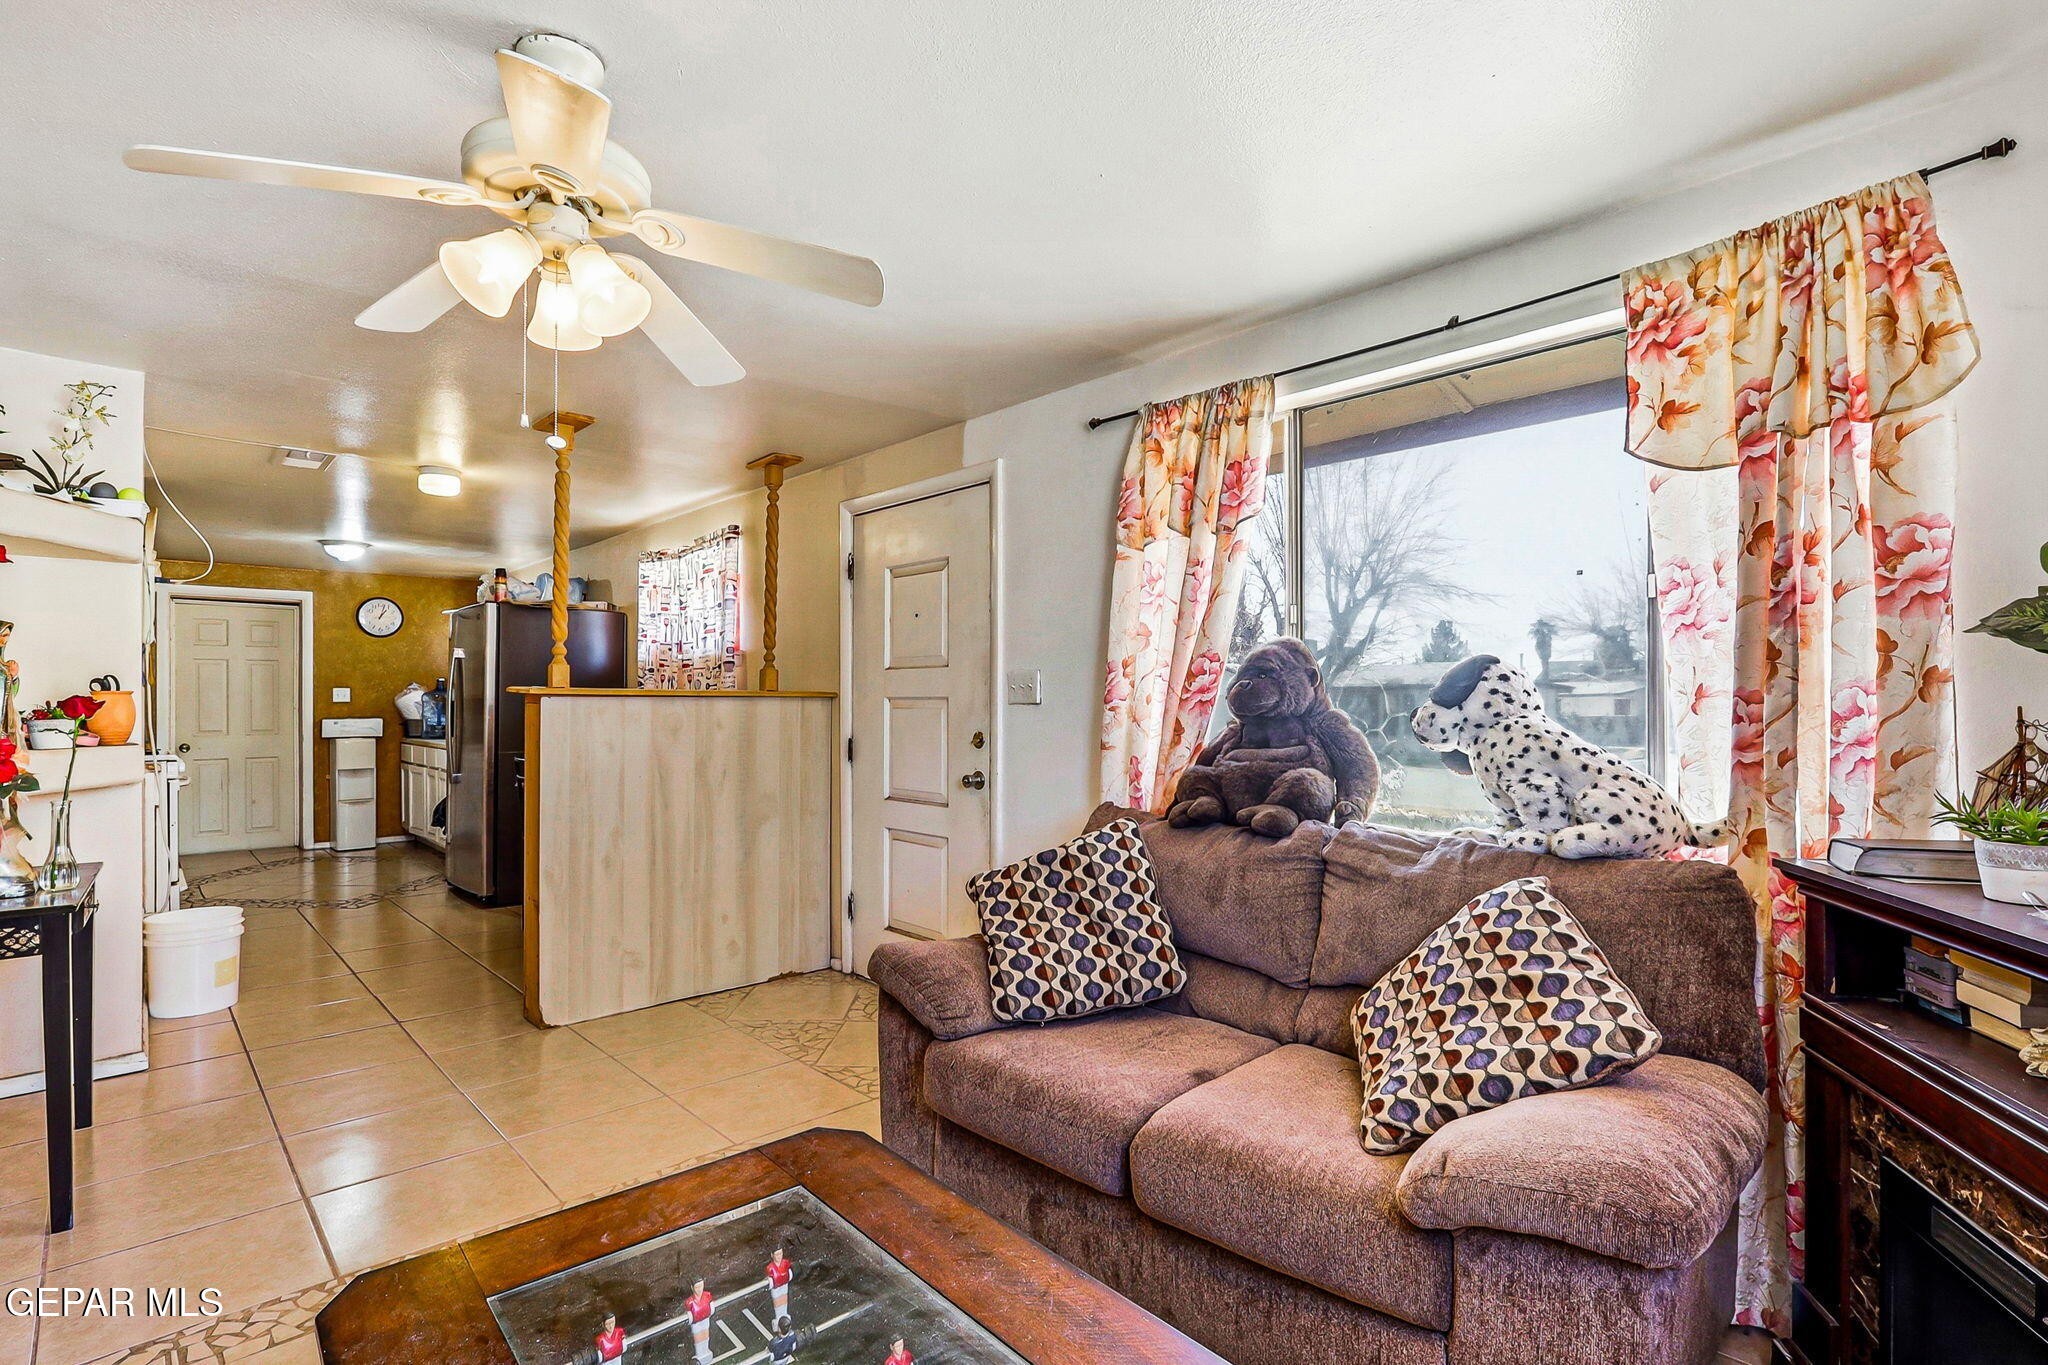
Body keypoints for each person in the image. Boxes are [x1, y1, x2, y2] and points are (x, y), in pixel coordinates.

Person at [685, 1280, 714, 1362]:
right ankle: (699, 1353)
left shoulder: (707, 1295)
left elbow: (711, 1304)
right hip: (696, 1322)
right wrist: (690, 1317)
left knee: (705, 1334)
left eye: (701, 1286)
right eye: (697, 1287)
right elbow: (689, 1312)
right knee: (698, 1336)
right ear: (692, 1288)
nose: (699, 1289)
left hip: (705, 1318)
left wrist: (711, 1309)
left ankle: (705, 1350)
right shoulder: (690, 1302)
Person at [765, 1246, 794, 1322]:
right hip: (776, 1287)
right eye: (777, 1254)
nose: (779, 1256)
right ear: (772, 1255)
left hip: (784, 1285)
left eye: (780, 1253)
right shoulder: (770, 1267)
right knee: (777, 1301)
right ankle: (779, 1317)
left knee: (784, 1299)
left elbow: (789, 1271)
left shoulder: (785, 1262)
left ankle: (785, 1314)